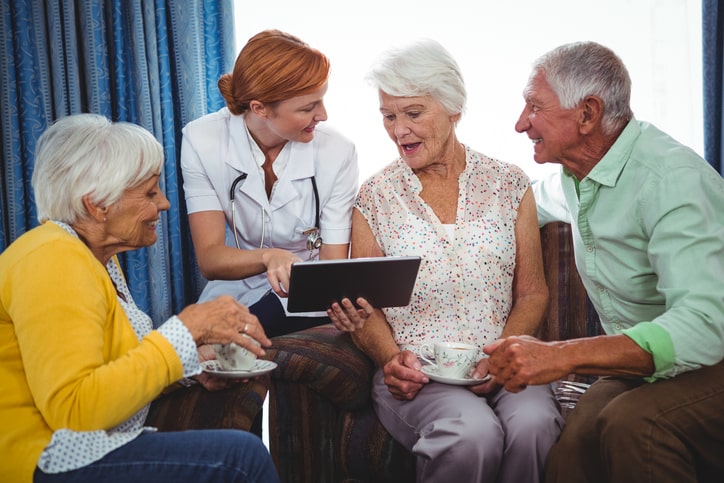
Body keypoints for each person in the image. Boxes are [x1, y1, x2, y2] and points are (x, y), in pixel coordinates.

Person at [485, 41, 724, 483]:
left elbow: (706, 326)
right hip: (648, 365)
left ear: (587, 113)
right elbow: (519, 206)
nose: (521, 124)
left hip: (713, 360)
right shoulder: (576, 177)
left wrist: (563, 356)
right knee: (575, 445)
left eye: (534, 107)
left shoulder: (671, 181)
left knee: (636, 425)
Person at [329, 38, 563, 483]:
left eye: (413, 113)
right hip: (420, 373)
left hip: (502, 358)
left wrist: (502, 356)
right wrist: (391, 358)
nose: (400, 130)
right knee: (470, 434)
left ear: (454, 109)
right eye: (389, 116)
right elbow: (366, 305)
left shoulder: (509, 184)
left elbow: (533, 291)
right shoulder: (374, 198)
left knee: (535, 425)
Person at [0, 113, 280, 483]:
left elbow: (107, 375)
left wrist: (189, 368)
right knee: (239, 459)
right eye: (149, 193)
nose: (164, 204)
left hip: (82, 445)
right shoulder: (53, 258)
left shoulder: (93, 258)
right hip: (42, 457)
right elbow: (75, 409)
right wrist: (186, 329)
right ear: (97, 205)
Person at [180, 29, 365, 338]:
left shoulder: (337, 152)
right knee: (204, 341)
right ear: (259, 108)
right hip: (240, 281)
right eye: (307, 108)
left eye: (321, 101)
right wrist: (269, 257)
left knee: (229, 338)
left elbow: (331, 267)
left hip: (308, 289)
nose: (323, 115)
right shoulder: (202, 141)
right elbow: (210, 259)